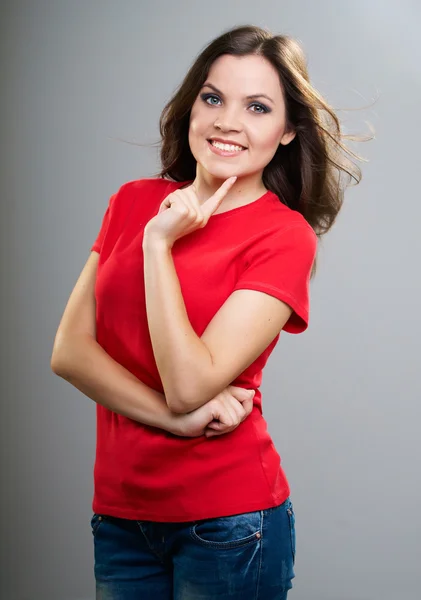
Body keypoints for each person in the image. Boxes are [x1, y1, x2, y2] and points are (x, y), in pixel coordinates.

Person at [51, 24, 367, 600]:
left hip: (229, 523)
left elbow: (189, 385)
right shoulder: (131, 201)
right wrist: (174, 423)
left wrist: (157, 247)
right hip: (121, 517)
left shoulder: (283, 236)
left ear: (288, 130)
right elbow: (70, 352)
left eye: (258, 107)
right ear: (191, 104)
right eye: (213, 97)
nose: (228, 121)